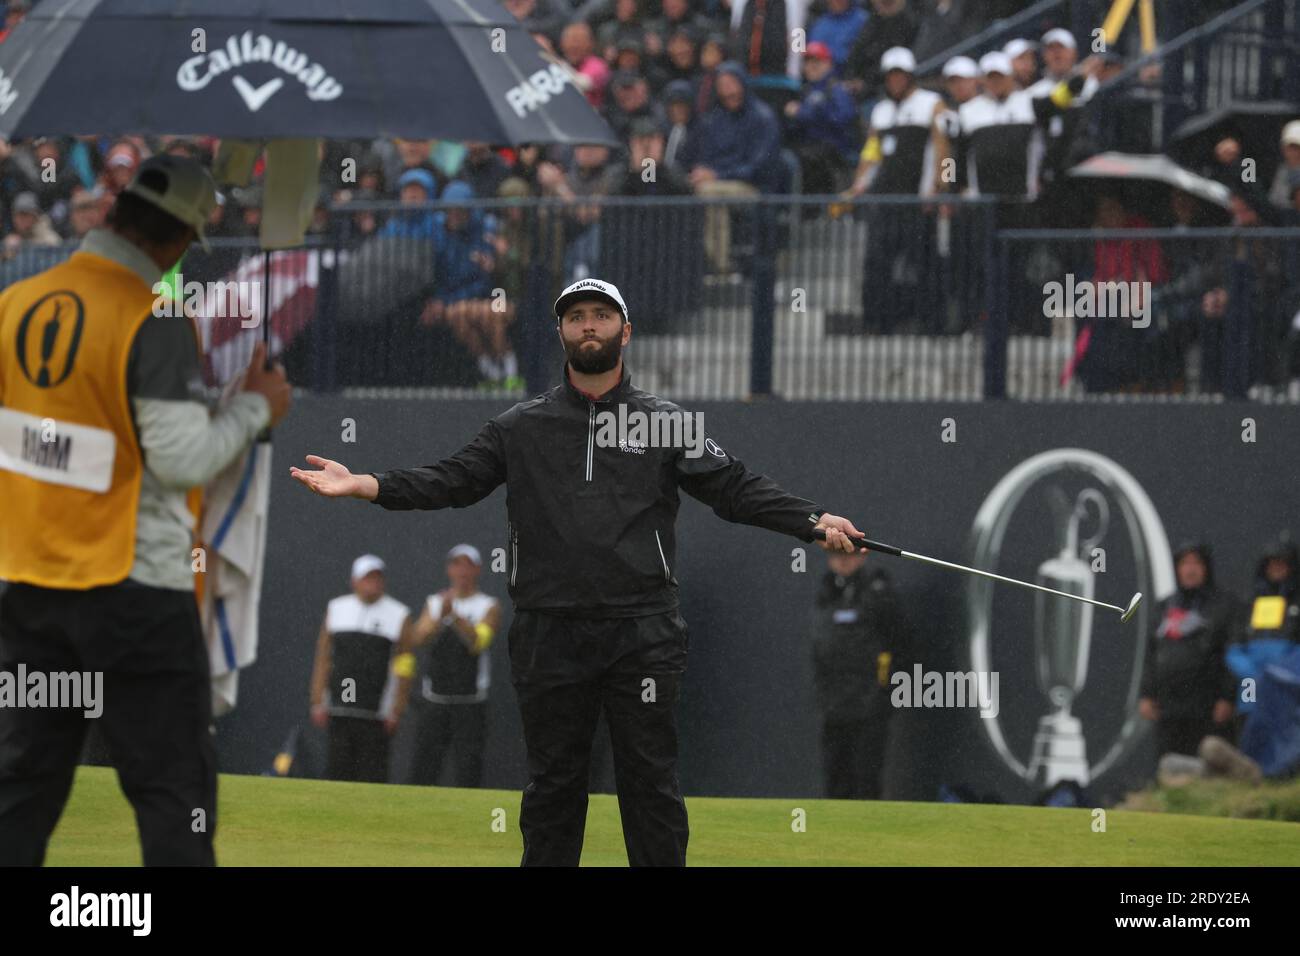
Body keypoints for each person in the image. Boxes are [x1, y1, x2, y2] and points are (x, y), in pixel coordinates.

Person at [289, 277, 870, 866]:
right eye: (576, 317)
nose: (588, 325)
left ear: (626, 330)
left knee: (651, 785)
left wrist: (811, 520)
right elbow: (451, 478)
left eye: (600, 315)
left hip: (643, 632)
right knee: (553, 788)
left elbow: (735, 489)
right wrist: (367, 484)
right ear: (561, 332)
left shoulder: (666, 423)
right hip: (549, 633)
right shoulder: (520, 426)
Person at [0, 154, 292, 866]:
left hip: (29, 587)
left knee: (21, 792)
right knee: (174, 794)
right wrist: (258, 405)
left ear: (113, 214)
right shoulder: (155, 316)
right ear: (178, 241)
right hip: (131, 591)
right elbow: (183, 461)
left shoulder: (17, 301)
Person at [398, 544, 501, 788]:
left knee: (468, 767)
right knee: (425, 767)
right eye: (457, 564)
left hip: (471, 703)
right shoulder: (434, 603)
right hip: (435, 701)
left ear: (477, 570)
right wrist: (439, 617)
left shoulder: (489, 605)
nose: (462, 571)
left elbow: (479, 641)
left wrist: (454, 616)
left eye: (468, 565)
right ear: (449, 570)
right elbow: (417, 639)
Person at [811, 547, 909, 799]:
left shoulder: (878, 592)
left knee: (867, 777)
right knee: (835, 777)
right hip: (833, 704)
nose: (843, 560)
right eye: (836, 554)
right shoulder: (826, 593)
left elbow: (900, 644)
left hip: (870, 704)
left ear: (862, 555)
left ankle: (870, 835)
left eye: (849, 554)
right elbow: (819, 648)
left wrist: (884, 690)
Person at [309, 555, 413, 783]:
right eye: (367, 578)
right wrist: (318, 700)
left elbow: (405, 663)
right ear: (354, 581)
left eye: (377, 578)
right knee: (338, 773)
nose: (373, 583)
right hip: (339, 709)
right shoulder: (337, 608)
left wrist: (397, 707)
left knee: (372, 775)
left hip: (376, 713)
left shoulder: (399, 614)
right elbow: (324, 657)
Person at [1138, 542, 1239, 759]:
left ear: (1207, 569)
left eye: (1196, 563)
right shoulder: (1165, 606)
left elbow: (1236, 655)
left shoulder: (1225, 605)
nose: (1190, 569)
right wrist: (1146, 694)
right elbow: (1151, 653)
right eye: (1184, 563)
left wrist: (1228, 697)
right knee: (1170, 769)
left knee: (1208, 768)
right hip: (1169, 709)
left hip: (1208, 709)